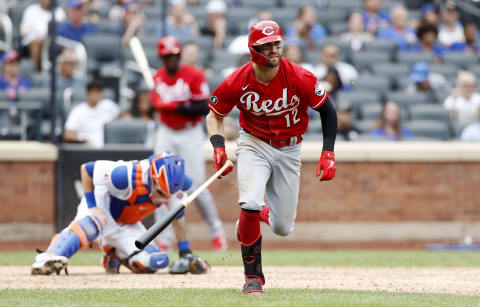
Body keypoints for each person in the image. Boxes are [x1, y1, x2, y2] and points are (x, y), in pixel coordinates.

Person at [205, 20, 338, 294]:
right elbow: (214, 115)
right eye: (267, 46)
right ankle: (253, 278)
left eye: (277, 44)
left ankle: (255, 217)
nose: (274, 50)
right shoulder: (238, 80)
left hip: (289, 149)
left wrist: (328, 152)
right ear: (254, 49)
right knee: (250, 201)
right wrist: (218, 147)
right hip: (254, 143)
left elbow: (328, 111)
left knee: (283, 227)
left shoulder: (300, 76)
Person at [31, 153, 210, 275]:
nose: (161, 197)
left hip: (127, 222)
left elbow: (178, 218)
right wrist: (93, 206)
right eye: (160, 191)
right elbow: (87, 169)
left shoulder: (175, 187)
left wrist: (185, 251)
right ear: (153, 176)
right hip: (102, 206)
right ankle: (49, 256)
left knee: (154, 261)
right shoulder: (124, 175)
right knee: (92, 225)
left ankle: (113, 252)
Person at [149, 36, 227, 251]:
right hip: (166, 131)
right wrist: (154, 102)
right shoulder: (158, 77)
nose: (170, 60)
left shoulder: (194, 75)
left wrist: (173, 106)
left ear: (179, 56)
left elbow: (204, 107)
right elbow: (153, 102)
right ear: (162, 58)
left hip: (190, 132)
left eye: (173, 56)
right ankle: (163, 239)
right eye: (166, 57)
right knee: (161, 184)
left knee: (196, 186)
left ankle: (216, 231)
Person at [63, 79, 121, 148]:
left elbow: (125, 117)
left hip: (108, 148)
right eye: (93, 92)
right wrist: (83, 139)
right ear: (87, 94)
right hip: (86, 149)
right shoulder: (78, 110)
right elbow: (67, 134)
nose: (96, 95)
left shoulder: (109, 105)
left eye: (98, 92)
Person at [20, 0, 66, 71]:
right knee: (37, 42)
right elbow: (23, 31)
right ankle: (35, 72)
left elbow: (62, 33)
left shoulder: (59, 12)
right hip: (32, 42)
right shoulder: (31, 10)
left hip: (53, 43)